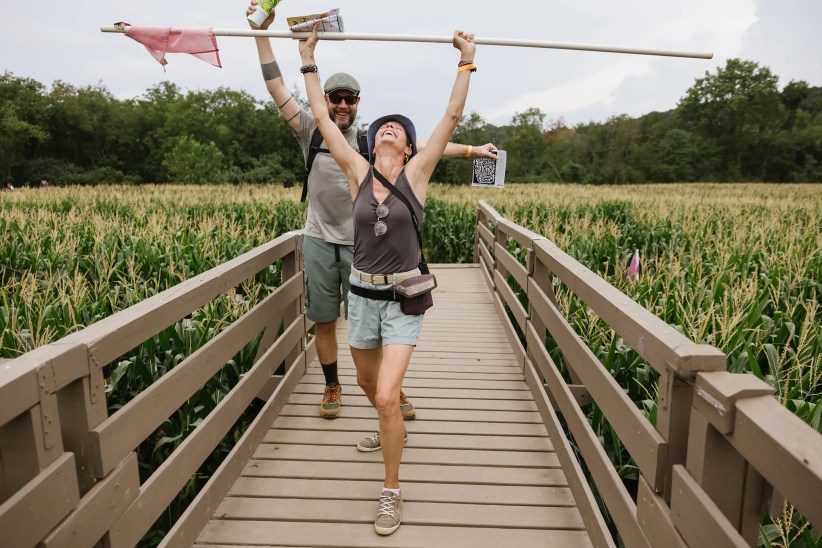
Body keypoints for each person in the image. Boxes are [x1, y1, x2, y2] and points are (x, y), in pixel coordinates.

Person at [246, 1, 497, 421]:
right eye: (335, 99)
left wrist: (472, 149)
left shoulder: (368, 142)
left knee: (377, 329)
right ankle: (332, 384)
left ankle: (389, 390)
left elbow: (429, 149)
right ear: (326, 100)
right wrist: (264, 36)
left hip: (367, 251)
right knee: (325, 320)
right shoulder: (311, 128)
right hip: (321, 239)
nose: (342, 105)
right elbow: (276, 88)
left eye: (350, 99)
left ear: (359, 102)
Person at [299, 22, 479, 536]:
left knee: (384, 395)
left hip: (402, 299)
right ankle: (388, 424)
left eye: (399, 128)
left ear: (409, 148)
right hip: (360, 296)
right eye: (384, 126)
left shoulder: (416, 176)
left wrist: (466, 60)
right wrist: (308, 57)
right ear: (374, 141)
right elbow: (320, 116)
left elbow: (451, 115)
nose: (390, 129)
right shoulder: (357, 172)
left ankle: (391, 490)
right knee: (367, 384)